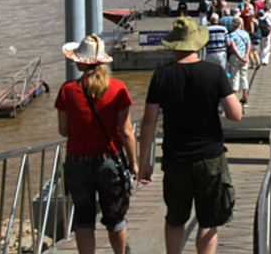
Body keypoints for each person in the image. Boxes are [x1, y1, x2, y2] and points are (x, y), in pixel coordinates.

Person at [138, 17, 242, 254]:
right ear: (198, 43)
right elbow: (236, 115)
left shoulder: (161, 76)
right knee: (208, 222)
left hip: (175, 159)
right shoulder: (214, 72)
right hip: (210, 159)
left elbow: (148, 123)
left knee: (175, 219)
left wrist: (143, 162)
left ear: (174, 45)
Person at [55, 34, 137, 254]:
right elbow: (127, 131)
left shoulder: (67, 90)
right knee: (115, 217)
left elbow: (63, 130)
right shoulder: (118, 88)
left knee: (83, 219)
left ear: (82, 61)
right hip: (109, 161)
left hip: (77, 162)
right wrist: (135, 163)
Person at [227, 16, 250, 103]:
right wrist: (246, 55)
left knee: (235, 77)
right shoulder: (245, 34)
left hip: (236, 57)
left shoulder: (232, 35)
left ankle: (235, 97)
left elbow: (233, 47)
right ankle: (245, 95)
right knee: (244, 76)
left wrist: (239, 56)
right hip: (244, 56)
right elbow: (249, 45)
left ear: (233, 25)